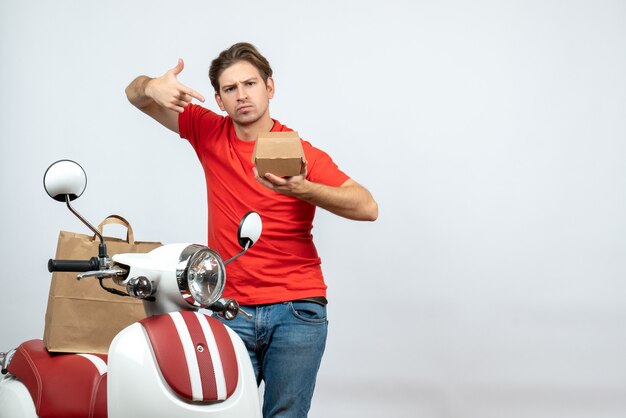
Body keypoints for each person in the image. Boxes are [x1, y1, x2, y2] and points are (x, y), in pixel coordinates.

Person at [125, 42, 378, 418]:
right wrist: (149, 87)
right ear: (219, 99)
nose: (242, 95)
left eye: (250, 84)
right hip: (229, 310)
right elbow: (135, 96)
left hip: (297, 310)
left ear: (269, 88)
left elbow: (367, 206)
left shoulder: (299, 152)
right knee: (220, 412)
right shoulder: (207, 130)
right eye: (230, 89)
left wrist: (302, 188)